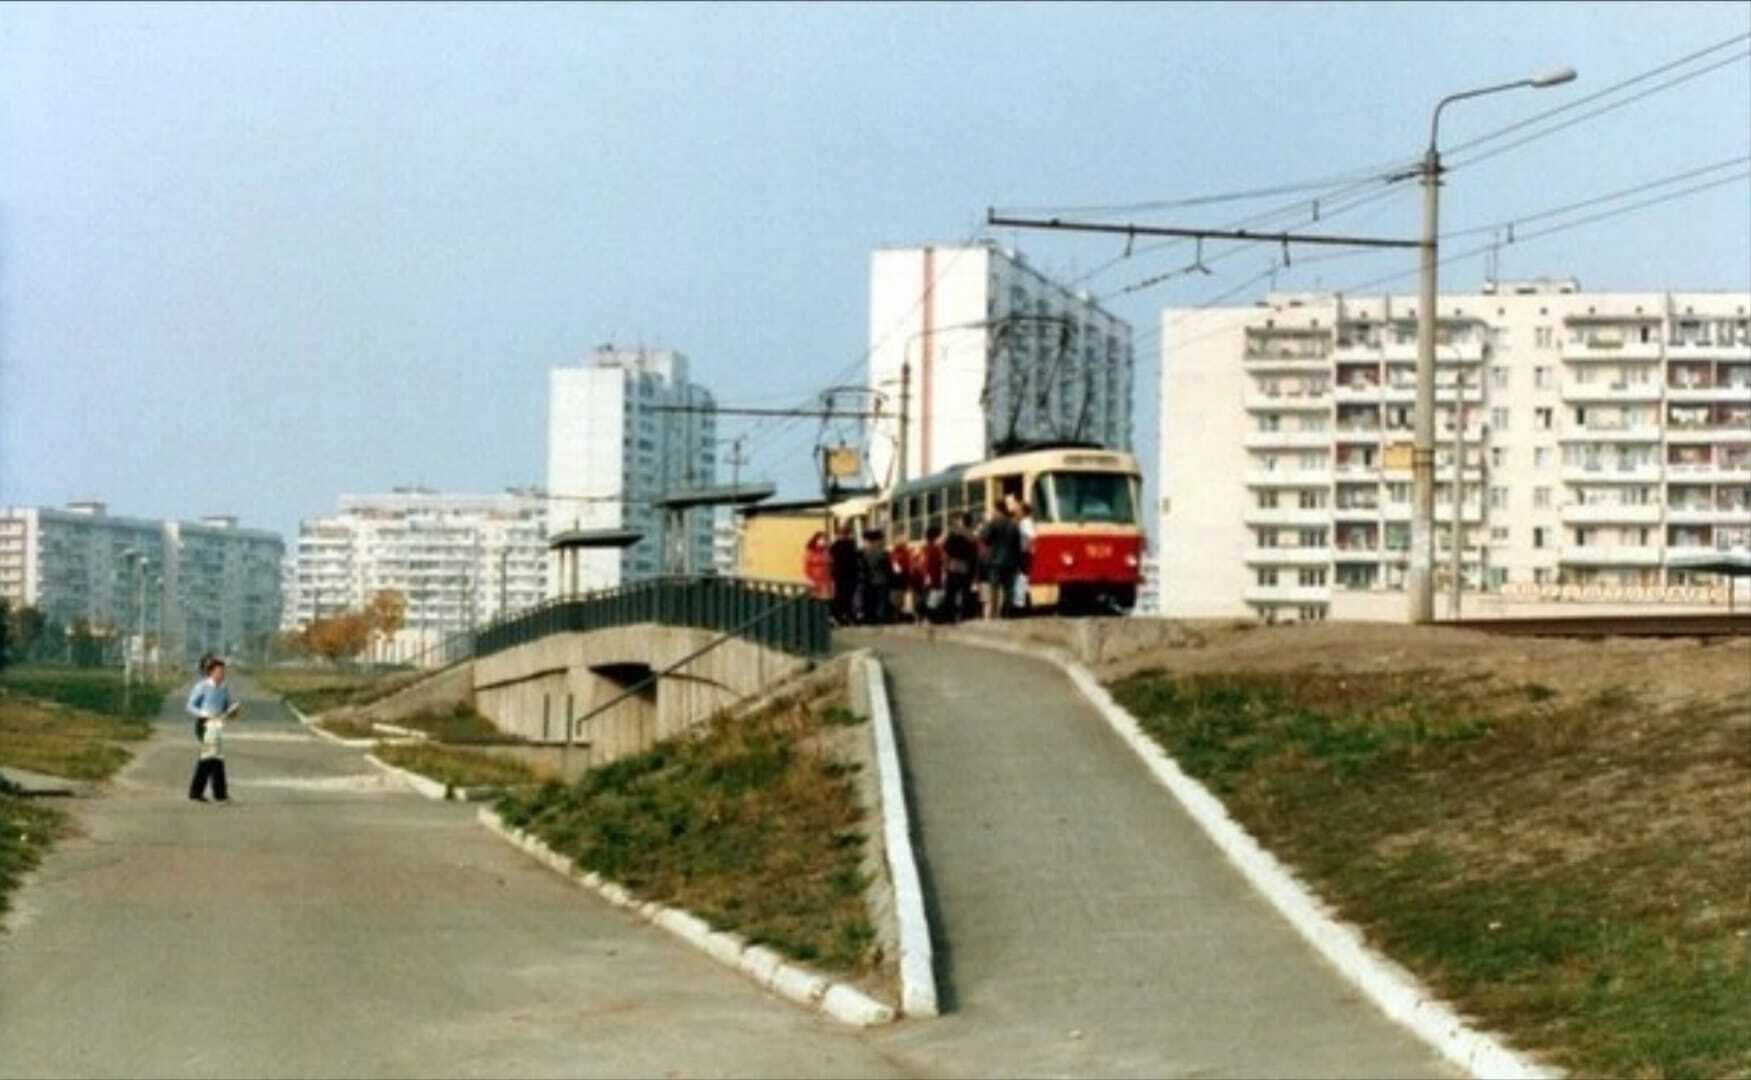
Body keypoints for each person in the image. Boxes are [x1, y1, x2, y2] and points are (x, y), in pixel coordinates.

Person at [186, 656, 235, 803]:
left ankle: (212, 793)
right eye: (219, 671)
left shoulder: (224, 687)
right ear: (211, 672)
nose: (222, 674)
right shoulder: (202, 686)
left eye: (223, 671)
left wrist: (232, 712)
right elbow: (189, 706)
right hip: (204, 724)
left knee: (214, 758)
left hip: (217, 725)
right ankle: (210, 793)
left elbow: (226, 706)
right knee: (211, 757)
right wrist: (204, 713)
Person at [979, 501, 1023, 619]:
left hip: (995, 561)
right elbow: (1018, 545)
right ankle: (1006, 614)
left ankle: (993, 614)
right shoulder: (1014, 525)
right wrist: (1019, 563)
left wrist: (985, 525)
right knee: (1008, 589)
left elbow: (985, 538)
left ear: (997, 510)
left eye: (993, 510)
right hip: (1011, 562)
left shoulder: (993, 523)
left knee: (994, 588)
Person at [943, 513, 979, 623]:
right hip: (966, 566)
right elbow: (974, 554)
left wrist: (946, 565)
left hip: (953, 565)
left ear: (962, 522)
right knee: (965, 592)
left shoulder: (953, 533)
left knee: (951, 593)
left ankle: (949, 616)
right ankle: (965, 616)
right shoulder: (973, 537)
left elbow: (947, 549)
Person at [827, 524, 861, 626]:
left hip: (838, 577)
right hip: (851, 576)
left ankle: (840, 617)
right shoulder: (852, 546)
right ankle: (849, 616)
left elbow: (831, 562)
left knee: (839, 598)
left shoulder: (834, 547)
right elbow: (856, 562)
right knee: (848, 598)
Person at [862, 529, 894, 624]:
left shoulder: (865, 553)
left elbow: (864, 567)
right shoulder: (883, 553)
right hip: (882, 579)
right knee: (882, 600)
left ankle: (872, 617)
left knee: (873, 599)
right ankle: (881, 617)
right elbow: (888, 567)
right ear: (878, 540)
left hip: (870, 580)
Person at [1012, 497, 1037, 614]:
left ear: (1023, 511)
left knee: (1021, 579)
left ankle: (1021, 606)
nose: (1016, 512)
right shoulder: (1023, 522)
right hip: (1023, 554)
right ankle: (1020, 604)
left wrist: (1023, 551)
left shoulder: (1026, 523)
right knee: (1021, 580)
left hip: (1024, 554)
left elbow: (1030, 538)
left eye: (1018, 510)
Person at [921, 524, 947, 623]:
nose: (943, 537)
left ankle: (928, 618)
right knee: (932, 601)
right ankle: (929, 619)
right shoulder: (933, 549)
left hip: (932, 578)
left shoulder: (927, 548)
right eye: (941, 536)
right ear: (935, 537)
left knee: (931, 599)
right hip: (934, 578)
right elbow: (929, 564)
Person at [803, 531, 832, 601]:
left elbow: (831, 563)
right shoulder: (811, 552)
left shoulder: (827, 551)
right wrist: (810, 580)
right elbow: (806, 567)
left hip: (827, 582)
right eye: (822, 539)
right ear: (816, 540)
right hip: (815, 581)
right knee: (816, 600)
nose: (824, 541)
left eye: (825, 540)